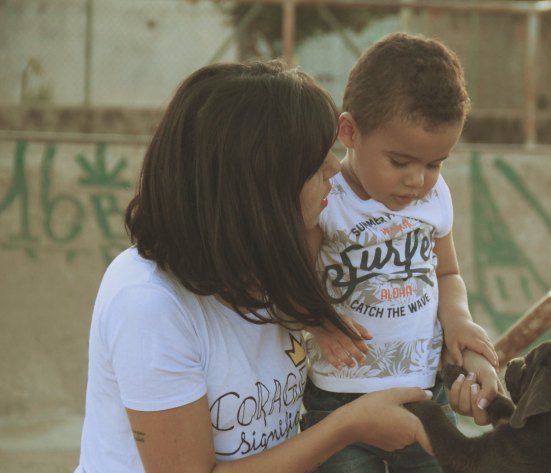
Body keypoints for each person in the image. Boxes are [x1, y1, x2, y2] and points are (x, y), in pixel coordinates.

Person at [74, 59, 435, 473]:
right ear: (261, 182)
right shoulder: (148, 302)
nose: (335, 168)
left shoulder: (277, 265)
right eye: (316, 160)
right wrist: (347, 427)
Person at [302, 32, 502, 473]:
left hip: (424, 396)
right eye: (400, 162)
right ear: (350, 131)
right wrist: (318, 321)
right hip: (340, 404)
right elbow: (292, 281)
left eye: (434, 163)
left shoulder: (434, 199)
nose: (418, 180)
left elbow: (447, 274)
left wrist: (459, 321)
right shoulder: (325, 197)